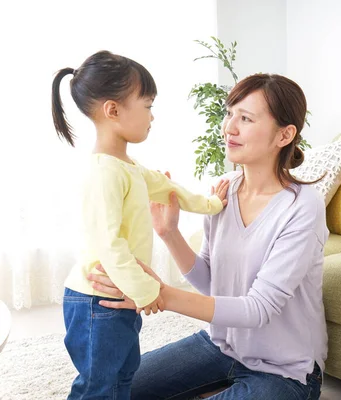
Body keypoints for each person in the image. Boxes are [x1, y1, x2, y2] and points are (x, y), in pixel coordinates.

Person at [89, 73, 328, 399]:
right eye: (230, 113)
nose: (229, 127)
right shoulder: (225, 189)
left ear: (284, 135)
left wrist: (160, 294)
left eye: (245, 118)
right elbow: (213, 282)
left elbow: (258, 309)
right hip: (220, 347)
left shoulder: (303, 207)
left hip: (284, 370)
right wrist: (169, 233)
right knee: (116, 388)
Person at [51, 50, 229, 400]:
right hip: (97, 302)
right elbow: (109, 244)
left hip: (120, 296)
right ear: (113, 110)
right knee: (99, 385)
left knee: (123, 375)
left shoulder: (127, 166)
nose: (152, 116)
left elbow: (170, 189)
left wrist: (212, 204)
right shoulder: (104, 172)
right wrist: (148, 292)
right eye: (147, 106)